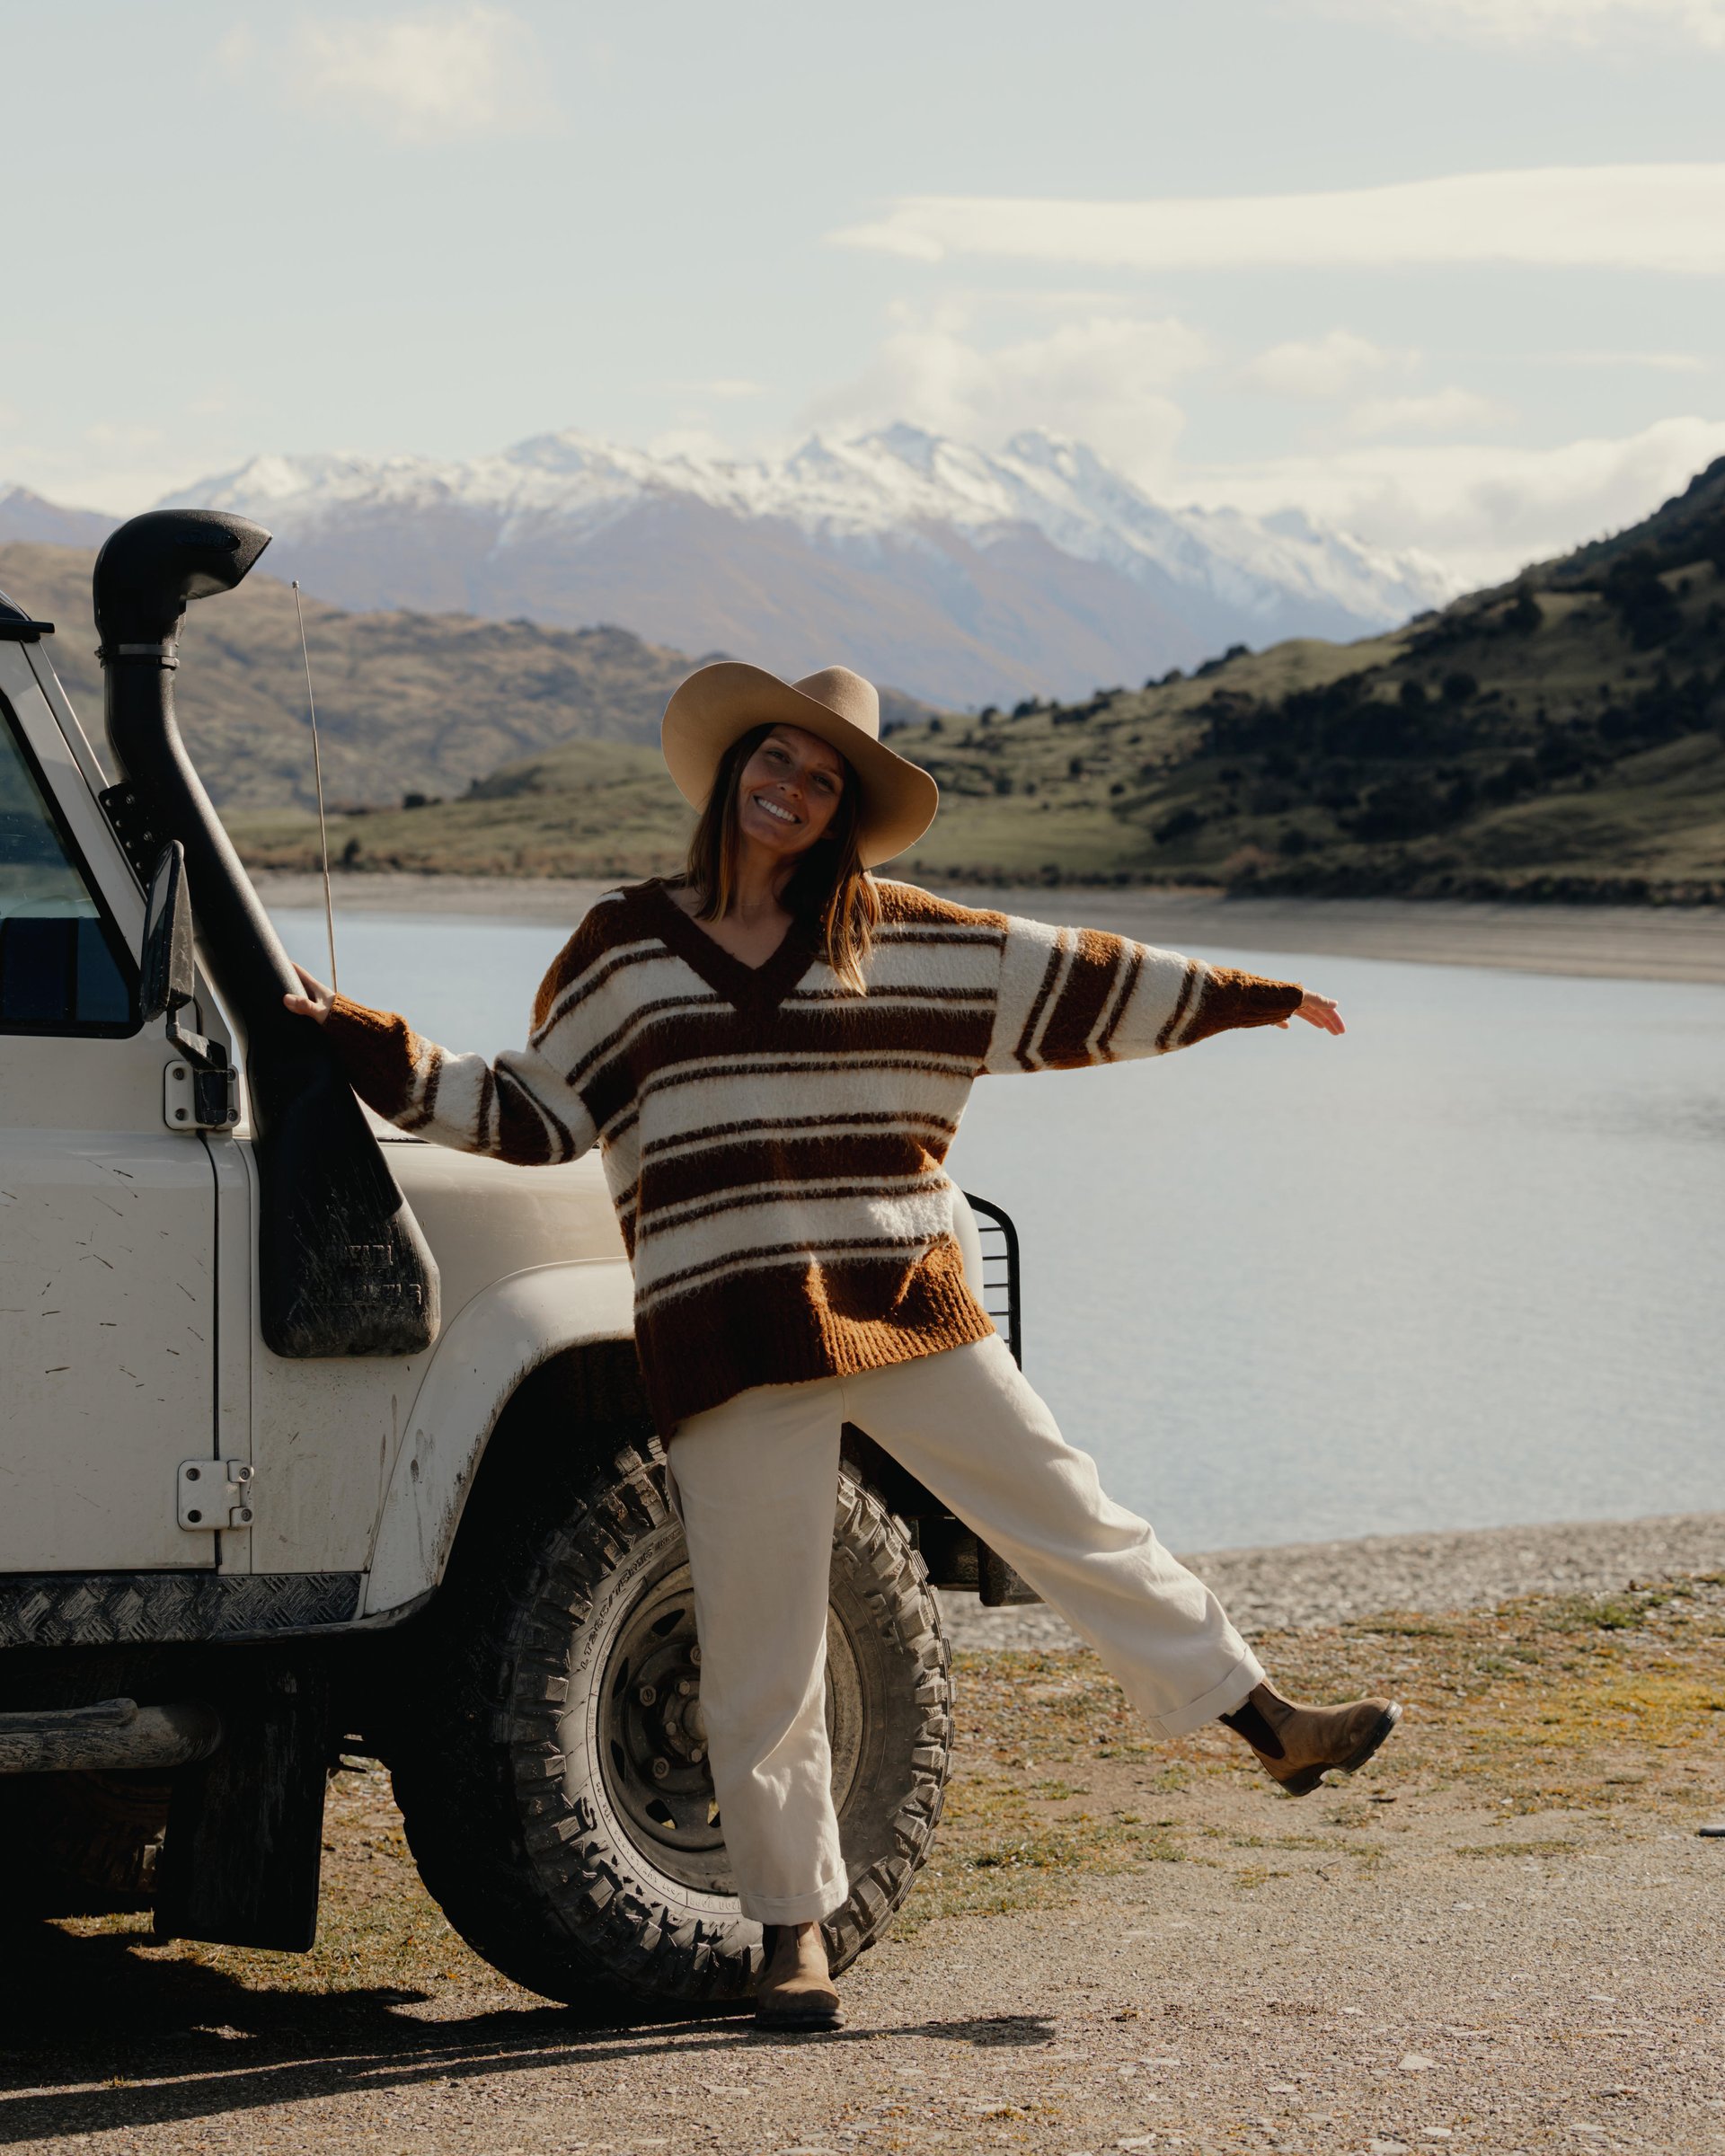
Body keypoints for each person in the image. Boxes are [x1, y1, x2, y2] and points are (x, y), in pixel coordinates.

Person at [287, 660, 1401, 2032]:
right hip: (725, 1327)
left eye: (823, 781)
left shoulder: (911, 941)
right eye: (777, 763)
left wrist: (1253, 996)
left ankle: (1268, 1725)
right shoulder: (624, 948)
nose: (794, 791)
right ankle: (791, 1937)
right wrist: (366, 1048)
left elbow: (1090, 985)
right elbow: (535, 1116)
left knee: (1076, 1520)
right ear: (731, 773)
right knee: (762, 1647)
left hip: (901, 1300)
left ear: (844, 811)